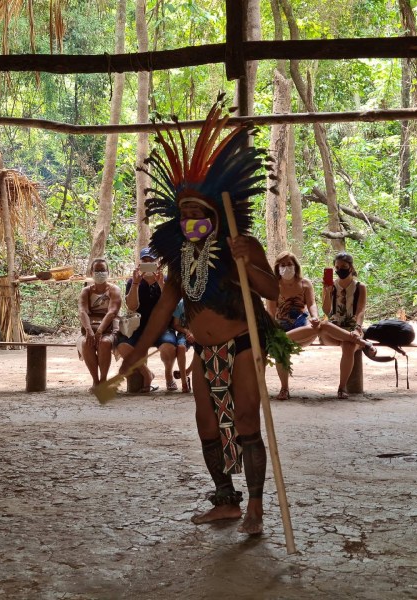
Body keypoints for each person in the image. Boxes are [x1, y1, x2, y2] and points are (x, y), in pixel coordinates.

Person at [120, 97, 296, 536]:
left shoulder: (244, 242)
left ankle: (255, 506)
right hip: (204, 349)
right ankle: (226, 500)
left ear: (216, 214)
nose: (191, 220)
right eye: (185, 214)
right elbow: (163, 307)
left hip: (242, 344)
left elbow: (274, 291)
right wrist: (138, 352)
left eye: (199, 214)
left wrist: (249, 263)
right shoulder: (179, 259)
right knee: (206, 423)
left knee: (247, 421)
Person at [116, 247, 178, 392]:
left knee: (168, 348)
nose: (148, 263)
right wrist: (136, 283)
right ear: (140, 263)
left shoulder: (167, 280)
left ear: (158, 263)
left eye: (152, 260)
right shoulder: (133, 281)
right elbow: (132, 306)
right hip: (139, 327)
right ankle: (147, 373)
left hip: (162, 327)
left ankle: (168, 376)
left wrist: (162, 283)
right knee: (122, 346)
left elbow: (170, 306)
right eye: (145, 260)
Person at [266, 251, 321, 401]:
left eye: (289, 264)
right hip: (280, 326)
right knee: (280, 348)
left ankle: (283, 340)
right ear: (277, 267)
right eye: (282, 265)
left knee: (316, 328)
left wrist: (315, 317)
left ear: (295, 266)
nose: (286, 268)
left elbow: (312, 304)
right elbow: (270, 312)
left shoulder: (305, 284)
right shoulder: (273, 286)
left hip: (301, 326)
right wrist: (272, 330)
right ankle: (284, 389)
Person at [320, 252, 376, 399]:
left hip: (352, 329)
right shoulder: (331, 285)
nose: (340, 270)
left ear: (351, 267)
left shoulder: (360, 287)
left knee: (349, 346)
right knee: (324, 325)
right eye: (337, 267)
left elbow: (360, 311)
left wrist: (358, 328)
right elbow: (326, 311)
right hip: (333, 329)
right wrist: (326, 292)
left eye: (343, 267)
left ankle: (341, 387)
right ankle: (363, 343)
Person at [78, 258, 122, 388]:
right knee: (87, 343)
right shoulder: (86, 291)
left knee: (104, 343)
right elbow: (82, 311)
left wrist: (100, 331)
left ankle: (103, 380)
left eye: (102, 270)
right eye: (96, 270)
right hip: (90, 327)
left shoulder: (114, 289)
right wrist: (89, 330)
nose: (99, 273)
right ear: (91, 272)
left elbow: (112, 312)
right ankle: (95, 381)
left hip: (109, 327)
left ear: (108, 272)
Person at [171, 298, 194, 393]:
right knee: (180, 347)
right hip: (184, 333)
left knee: (202, 349)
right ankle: (184, 382)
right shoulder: (181, 304)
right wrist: (187, 331)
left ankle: (187, 371)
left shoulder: (202, 303)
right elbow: (175, 325)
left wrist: (195, 333)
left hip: (199, 332)